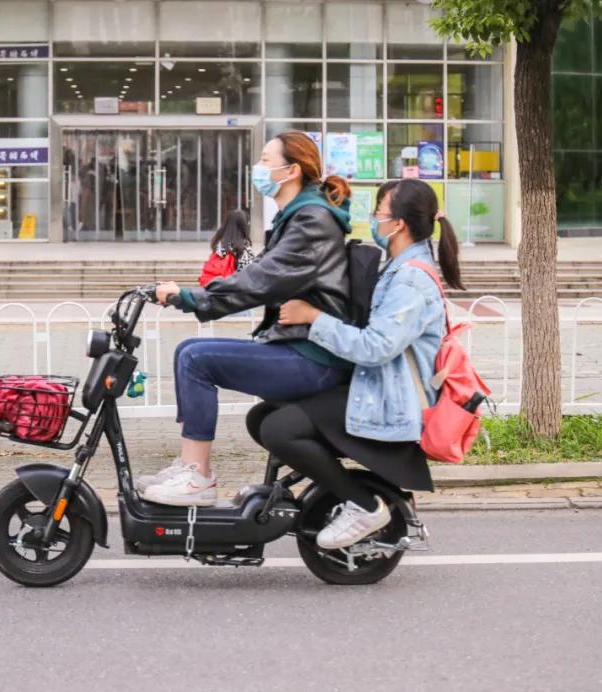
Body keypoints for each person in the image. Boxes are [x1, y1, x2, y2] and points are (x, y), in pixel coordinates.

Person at [139, 131, 354, 507]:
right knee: (190, 350)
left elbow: (260, 282)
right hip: (299, 346)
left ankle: (198, 477)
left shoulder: (311, 220)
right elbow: (259, 277)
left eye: (265, 160)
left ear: (290, 171)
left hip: (313, 356)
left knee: (196, 358)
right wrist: (198, 293)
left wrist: (190, 297)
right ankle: (190, 463)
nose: (258, 167)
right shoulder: (298, 216)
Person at [249, 179, 462, 549]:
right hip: (373, 388)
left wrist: (314, 317)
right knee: (262, 417)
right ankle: (329, 490)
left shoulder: (411, 279)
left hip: (391, 403)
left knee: (280, 430)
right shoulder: (399, 267)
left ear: (398, 224)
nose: (373, 218)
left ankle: (364, 505)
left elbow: (375, 347)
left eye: (378, 211)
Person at [198, 209, 255, 286]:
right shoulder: (243, 249)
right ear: (244, 226)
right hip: (232, 293)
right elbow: (248, 277)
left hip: (214, 290)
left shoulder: (219, 245)